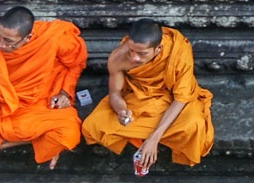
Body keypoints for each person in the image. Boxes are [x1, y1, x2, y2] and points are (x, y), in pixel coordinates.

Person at [0, 6, 88, 171]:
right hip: (1, 111)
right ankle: (36, 140)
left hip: (41, 106)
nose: (1, 44)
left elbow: (76, 62)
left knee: (69, 135)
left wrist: (66, 92)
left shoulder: (52, 38)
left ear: (28, 37)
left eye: (8, 41)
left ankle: (14, 141)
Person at [82, 19, 215, 172]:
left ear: (158, 49)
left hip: (174, 101)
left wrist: (153, 139)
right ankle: (151, 131)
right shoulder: (118, 58)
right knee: (94, 126)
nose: (134, 58)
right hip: (141, 98)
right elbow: (115, 94)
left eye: (142, 53)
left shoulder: (178, 49)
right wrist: (121, 111)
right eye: (131, 50)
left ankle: (152, 134)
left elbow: (181, 98)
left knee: (194, 125)